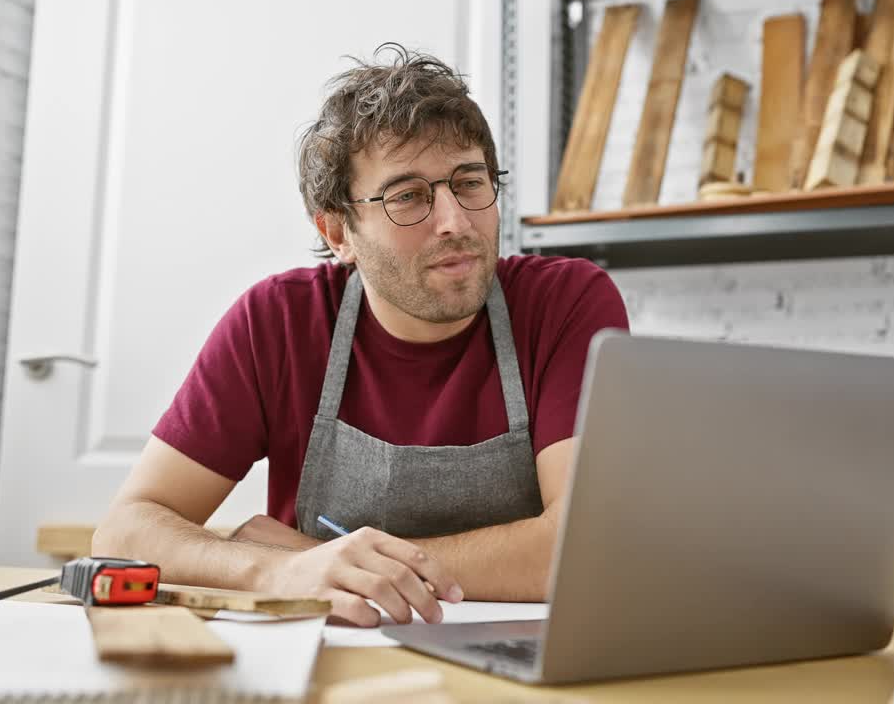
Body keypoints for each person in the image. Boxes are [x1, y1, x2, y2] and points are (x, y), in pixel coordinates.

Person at [91, 44, 629, 627]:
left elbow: (582, 549)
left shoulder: (566, 304)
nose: (455, 221)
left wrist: (316, 557)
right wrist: (275, 571)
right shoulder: (277, 324)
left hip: (522, 657)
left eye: (469, 183)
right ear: (337, 230)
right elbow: (126, 529)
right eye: (408, 197)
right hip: (332, 655)